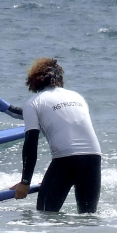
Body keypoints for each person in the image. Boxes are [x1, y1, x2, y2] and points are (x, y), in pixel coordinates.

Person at [12, 58, 102, 213]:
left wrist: (25, 182)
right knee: (88, 218)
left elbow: (31, 144)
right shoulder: (77, 97)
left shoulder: (33, 103)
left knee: (45, 215)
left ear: (34, 80)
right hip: (93, 158)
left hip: (65, 161)